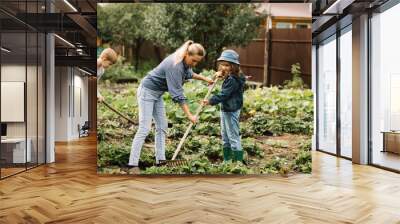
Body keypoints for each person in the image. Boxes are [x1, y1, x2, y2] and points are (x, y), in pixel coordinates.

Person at [128, 40, 213, 172]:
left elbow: (189, 73)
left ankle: (160, 162)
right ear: (187, 55)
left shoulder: (184, 62)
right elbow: (177, 94)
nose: (195, 64)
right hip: (147, 91)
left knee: (162, 127)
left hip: (157, 94)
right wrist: (189, 115)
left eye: (197, 62)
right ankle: (132, 164)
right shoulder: (175, 66)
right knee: (144, 128)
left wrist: (205, 79)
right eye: (194, 61)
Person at [202, 50, 246, 163]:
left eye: (227, 65)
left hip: (231, 110)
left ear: (233, 66)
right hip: (226, 109)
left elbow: (224, 94)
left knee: (233, 137)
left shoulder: (232, 80)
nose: (223, 67)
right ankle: (227, 161)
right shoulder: (231, 76)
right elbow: (223, 80)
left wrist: (210, 101)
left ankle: (238, 163)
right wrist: (217, 75)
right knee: (225, 136)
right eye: (222, 64)